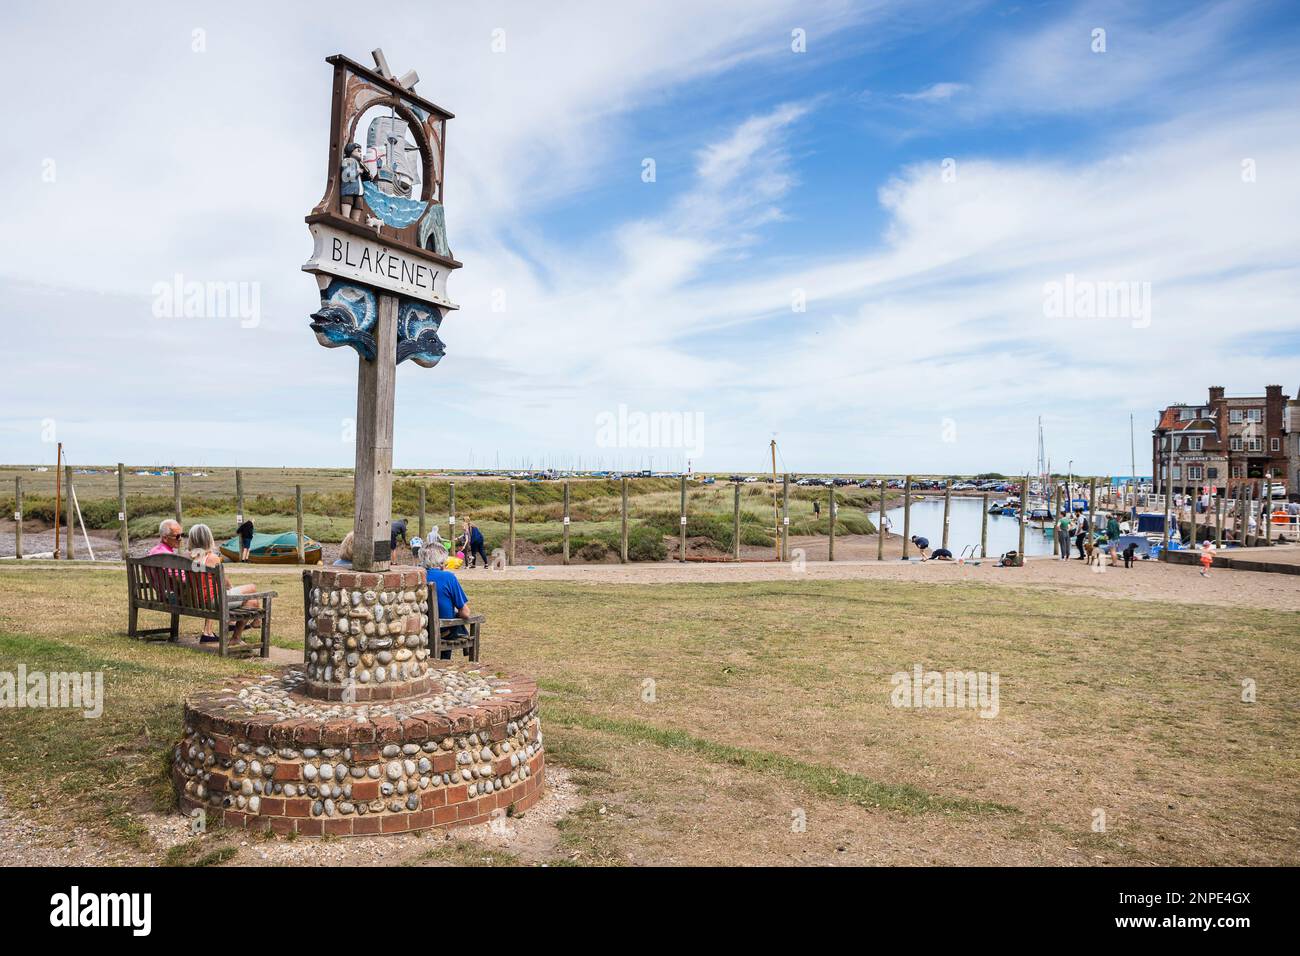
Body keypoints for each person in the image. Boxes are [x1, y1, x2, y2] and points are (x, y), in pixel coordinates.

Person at [187, 523, 260, 645]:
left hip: (196, 600)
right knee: (252, 588)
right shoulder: (212, 558)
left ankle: (236, 638)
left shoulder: (188, 557)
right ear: (208, 539)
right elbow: (224, 582)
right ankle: (255, 622)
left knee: (252, 602)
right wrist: (231, 587)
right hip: (213, 602)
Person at [422, 545, 472, 648]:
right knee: (457, 616)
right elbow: (466, 613)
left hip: (422, 630)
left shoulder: (418, 575)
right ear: (441, 562)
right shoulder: (448, 577)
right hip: (444, 631)